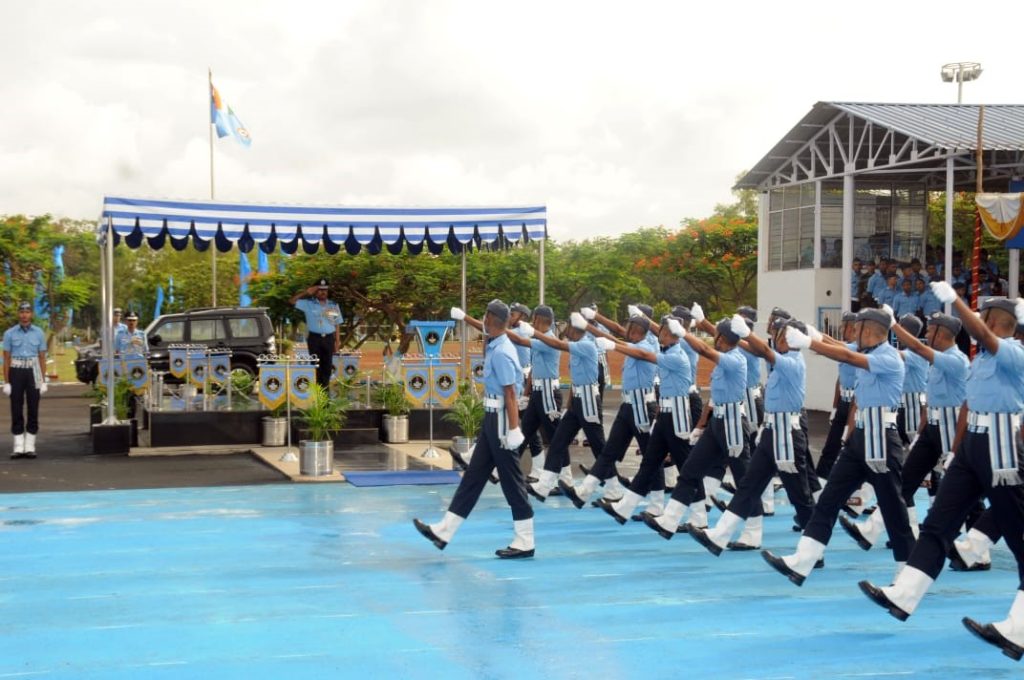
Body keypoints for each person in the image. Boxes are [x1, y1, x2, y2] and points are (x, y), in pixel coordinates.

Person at [858, 290, 1024, 661]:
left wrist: (956, 303)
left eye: (985, 314)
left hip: (1001, 445)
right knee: (938, 522)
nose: (979, 318)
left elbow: (981, 334)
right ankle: (905, 593)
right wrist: (957, 450)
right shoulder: (982, 359)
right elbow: (969, 404)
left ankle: (1021, 628)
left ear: (999, 322)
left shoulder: (1012, 351)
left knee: (1018, 535)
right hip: (973, 447)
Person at [760, 307, 913, 587]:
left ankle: (908, 571)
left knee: (892, 506)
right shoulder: (869, 351)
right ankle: (805, 558)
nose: (854, 332)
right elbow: (842, 347)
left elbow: (846, 355)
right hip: (861, 436)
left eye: (859, 328)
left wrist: (808, 343)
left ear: (870, 330)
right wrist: (816, 336)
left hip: (881, 437)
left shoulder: (888, 357)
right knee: (829, 498)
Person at [688, 315, 818, 557]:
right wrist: (713, 325)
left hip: (787, 436)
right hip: (772, 432)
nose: (776, 339)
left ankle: (813, 552)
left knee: (799, 494)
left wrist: (747, 333)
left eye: (781, 336)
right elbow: (759, 350)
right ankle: (721, 535)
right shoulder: (781, 360)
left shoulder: (793, 362)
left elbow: (764, 352)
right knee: (748, 485)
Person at [414, 300, 532, 559]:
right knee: (473, 478)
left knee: (512, 481)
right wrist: (466, 317)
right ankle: (444, 531)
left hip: (501, 420)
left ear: (492, 319)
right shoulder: (496, 342)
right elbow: (484, 329)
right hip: (492, 419)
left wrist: (514, 429)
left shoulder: (501, 351)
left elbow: (510, 393)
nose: (483, 320)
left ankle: (525, 540)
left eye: (485, 316)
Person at [841, 311, 968, 549]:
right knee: (905, 479)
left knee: (961, 486)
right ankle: (872, 529)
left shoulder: (955, 359)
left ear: (942, 334)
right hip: (932, 427)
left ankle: (974, 548)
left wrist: (892, 324)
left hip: (951, 430)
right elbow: (930, 400)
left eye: (931, 330)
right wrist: (921, 432)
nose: (927, 334)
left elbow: (918, 350)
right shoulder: (936, 358)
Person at [640, 307, 751, 538]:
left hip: (732, 423)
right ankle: (671, 522)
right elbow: (715, 397)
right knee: (690, 470)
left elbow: (703, 349)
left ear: (724, 338)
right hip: (717, 422)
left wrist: (685, 331)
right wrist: (701, 426)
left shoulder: (736, 360)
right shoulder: (726, 361)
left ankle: (752, 532)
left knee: (745, 479)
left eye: (716, 336)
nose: (713, 340)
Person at [595, 314, 692, 523]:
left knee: (687, 467)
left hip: (677, 417)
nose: (661, 336)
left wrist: (612, 345)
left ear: (675, 336)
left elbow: (646, 356)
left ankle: (699, 516)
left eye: (665, 333)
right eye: (661, 332)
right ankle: (625, 509)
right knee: (649, 462)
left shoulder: (676, 355)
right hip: (664, 414)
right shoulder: (669, 350)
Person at [561, 308, 658, 507]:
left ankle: (657, 506)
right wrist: (590, 326)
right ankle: (583, 493)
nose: (626, 329)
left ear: (639, 329)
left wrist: (607, 338)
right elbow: (616, 339)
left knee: (651, 457)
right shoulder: (634, 343)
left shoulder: (648, 346)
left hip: (642, 408)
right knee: (608, 452)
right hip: (628, 406)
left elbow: (634, 351)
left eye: (630, 326)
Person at [526, 312, 606, 500]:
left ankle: (613, 488)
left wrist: (531, 332)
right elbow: (576, 379)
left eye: (568, 326)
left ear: (575, 329)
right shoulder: (578, 346)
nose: (565, 330)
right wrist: (570, 404)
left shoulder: (585, 345)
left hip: (588, 401)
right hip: (578, 400)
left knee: (599, 447)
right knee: (558, 442)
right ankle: (544, 486)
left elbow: (558, 344)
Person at [815, 312, 858, 485]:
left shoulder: (857, 349)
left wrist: (812, 336)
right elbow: (840, 380)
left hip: (856, 405)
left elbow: (832, 344)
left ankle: (855, 493)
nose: (841, 329)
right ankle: (820, 484)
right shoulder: (847, 347)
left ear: (852, 328)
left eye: (843, 325)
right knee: (831, 446)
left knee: (851, 449)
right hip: (843, 403)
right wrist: (835, 407)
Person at [3, 302, 47, 459]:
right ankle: (18, 445)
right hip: (16, 370)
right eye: (21, 312)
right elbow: (6, 358)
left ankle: (30, 445)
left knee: (33, 407)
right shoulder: (10, 333)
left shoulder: (39, 333)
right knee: (16, 407)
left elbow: (42, 357)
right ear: (18, 314)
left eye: (27, 312)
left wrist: (42, 380)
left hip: (34, 370)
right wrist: (6, 381)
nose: (24, 315)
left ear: (32, 315)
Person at [289, 279, 342, 388]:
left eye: (325, 290)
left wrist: (337, 341)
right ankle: (317, 395)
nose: (323, 292)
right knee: (315, 367)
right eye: (320, 290)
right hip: (315, 339)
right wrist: (306, 292)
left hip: (328, 339)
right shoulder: (308, 304)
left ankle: (325, 397)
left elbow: (336, 324)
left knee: (327, 368)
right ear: (315, 291)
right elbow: (292, 301)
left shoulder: (332, 305)